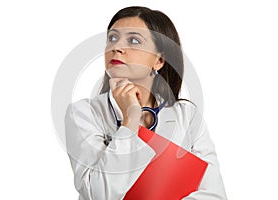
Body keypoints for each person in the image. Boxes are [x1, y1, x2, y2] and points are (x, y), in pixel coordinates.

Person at [65, 6, 227, 200]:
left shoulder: (187, 116)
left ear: (159, 60)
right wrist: (130, 121)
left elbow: (214, 195)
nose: (116, 47)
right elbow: (97, 194)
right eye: (112, 38)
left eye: (134, 40)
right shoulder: (83, 113)